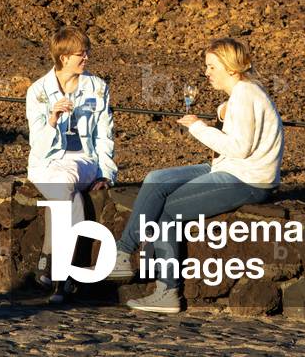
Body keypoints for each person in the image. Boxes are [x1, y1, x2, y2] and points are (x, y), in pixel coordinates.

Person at [108, 37, 284, 313]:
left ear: (229, 67)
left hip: (248, 179)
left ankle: (166, 290)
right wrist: (220, 113)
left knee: (167, 210)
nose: (207, 72)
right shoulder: (242, 94)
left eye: (212, 66)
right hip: (228, 168)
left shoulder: (246, 95)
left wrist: (199, 127)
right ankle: (122, 252)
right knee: (156, 179)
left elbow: (239, 148)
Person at [26, 25, 117, 304]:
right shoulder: (39, 91)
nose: (86, 57)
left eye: (87, 52)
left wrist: (105, 173)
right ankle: (63, 275)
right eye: (81, 53)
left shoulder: (97, 88)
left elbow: (104, 134)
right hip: (45, 163)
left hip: (82, 162)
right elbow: (38, 146)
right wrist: (52, 120)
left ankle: (53, 266)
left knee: (66, 182)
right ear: (63, 58)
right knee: (71, 200)